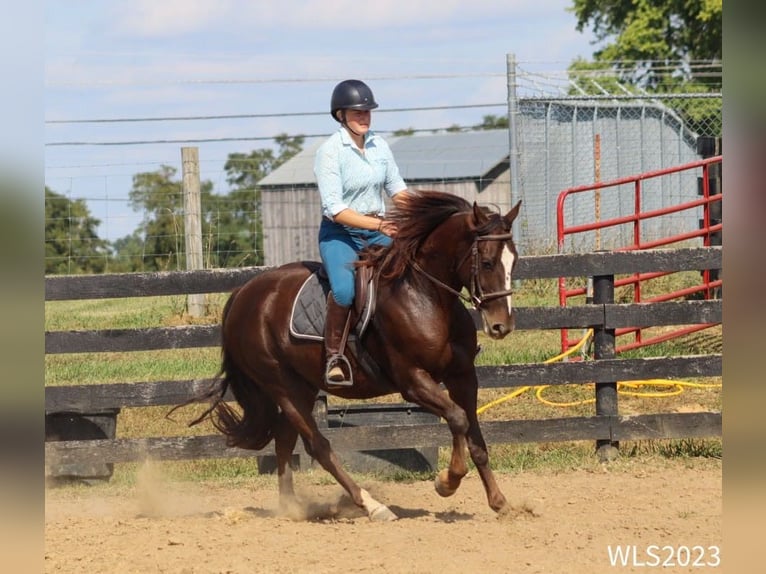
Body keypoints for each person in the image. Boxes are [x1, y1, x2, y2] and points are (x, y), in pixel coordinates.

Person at [314, 79, 410, 386]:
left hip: (378, 228)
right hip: (341, 233)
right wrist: (380, 225)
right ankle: (335, 356)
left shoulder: (379, 146)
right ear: (341, 114)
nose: (364, 116)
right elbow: (335, 209)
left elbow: (397, 189)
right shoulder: (330, 152)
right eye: (357, 112)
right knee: (343, 290)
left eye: (368, 111)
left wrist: (422, 214)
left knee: (415, 268)